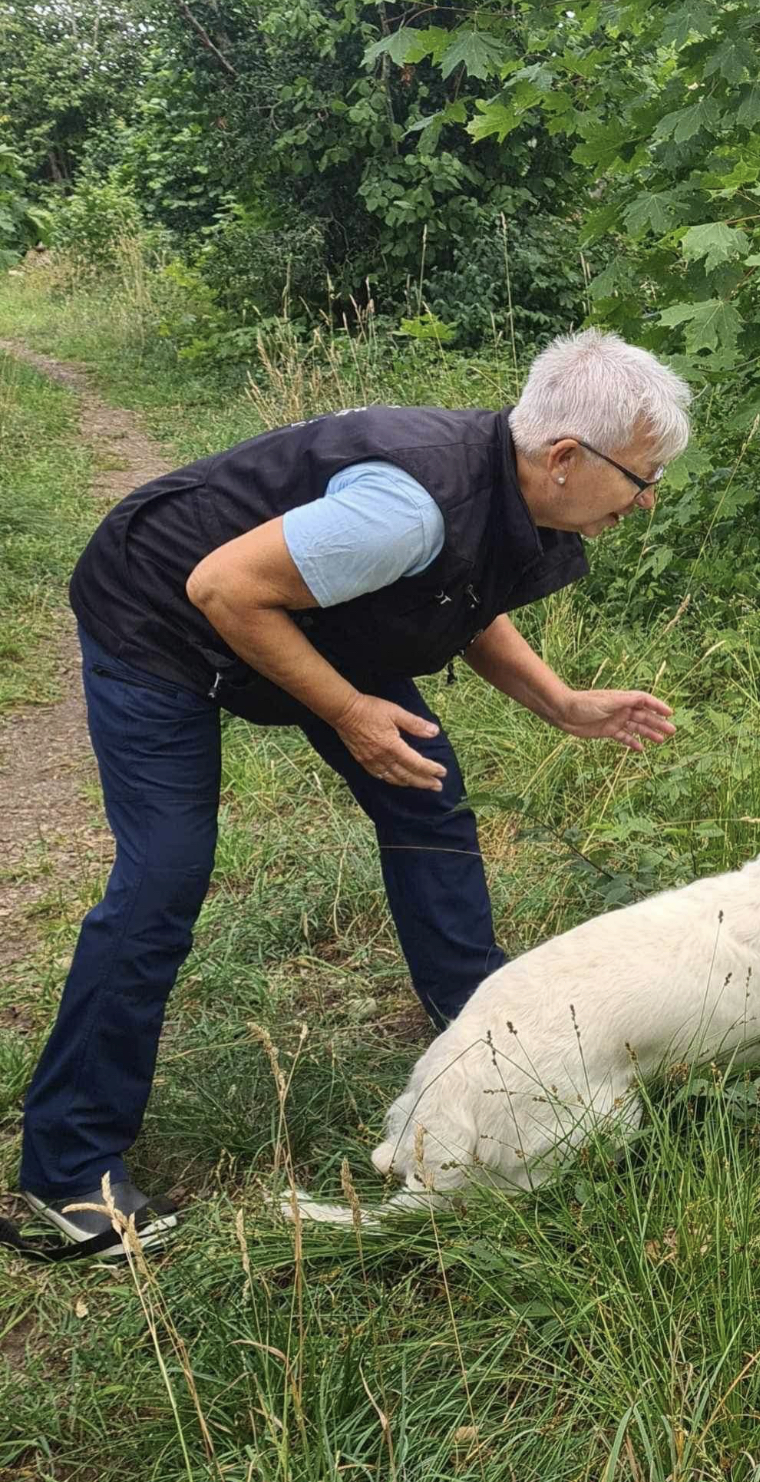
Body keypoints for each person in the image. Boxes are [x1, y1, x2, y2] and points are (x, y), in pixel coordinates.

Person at [15, 328, 692, 1256]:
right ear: (565, 456)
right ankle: (68, 1172)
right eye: (642, 477)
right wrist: (346, 711)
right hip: (161, 612)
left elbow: (460, 593)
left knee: (427, 797)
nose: (646, 500)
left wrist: (561, 703)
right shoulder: (406, 509)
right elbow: (224, 588)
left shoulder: (503, 486)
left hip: (301, 614)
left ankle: (491, 1044)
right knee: (164, 875)